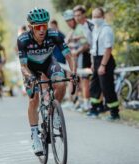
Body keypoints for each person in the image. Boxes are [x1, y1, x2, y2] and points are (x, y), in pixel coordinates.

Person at [17, 8, 76, 155]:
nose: (42, 30)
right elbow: (23, 66)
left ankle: (54, 111)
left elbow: (69, 57)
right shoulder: (23, 40)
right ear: (31, 27)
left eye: (45, 25)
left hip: (49, 63)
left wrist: (73, 73)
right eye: (38, 27)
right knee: (34, 99)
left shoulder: (54, 35)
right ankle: (35, 135)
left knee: (61, 84)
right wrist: (29, 77)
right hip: (30, 69)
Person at [87, 8, 120, 120]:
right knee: (94, 86)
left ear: (103, 17)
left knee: (107, 88)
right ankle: (95, 109)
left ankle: (114, 113)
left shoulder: (106, 30)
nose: (95, 19)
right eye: (93, 16)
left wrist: (103, 65)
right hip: (96, 60)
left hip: (105, 60)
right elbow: (94, 47)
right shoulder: (95, 29)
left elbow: (108, 49)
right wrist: (93, 63)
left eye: (97, 16)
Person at [73, 5, 94, 111]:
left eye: (79, 15)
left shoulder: (90, 24)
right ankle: (87, 104)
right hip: (87, 55)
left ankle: (89, 105)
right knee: (84, 80)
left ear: (84, 15)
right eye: (75, 16)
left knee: (86, 80)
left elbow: (89, 44)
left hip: (90, 55)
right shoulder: (81, 26)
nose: (77, 17)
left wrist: (77, 51)